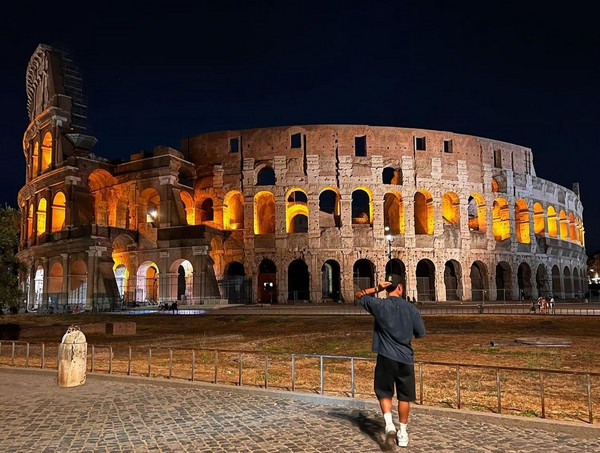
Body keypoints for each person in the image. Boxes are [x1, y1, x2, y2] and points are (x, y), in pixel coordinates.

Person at [355, 274, 426, 449]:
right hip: (405, 357)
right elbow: (421, 332)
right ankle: (402, 432)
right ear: (400, 287)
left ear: (386, 288)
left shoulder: (379, 305)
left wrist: (376, 289)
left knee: (384, 392)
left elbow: (359, 295)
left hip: (385, 355)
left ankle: (388, 424)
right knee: (404, 396)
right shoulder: (411, 309)